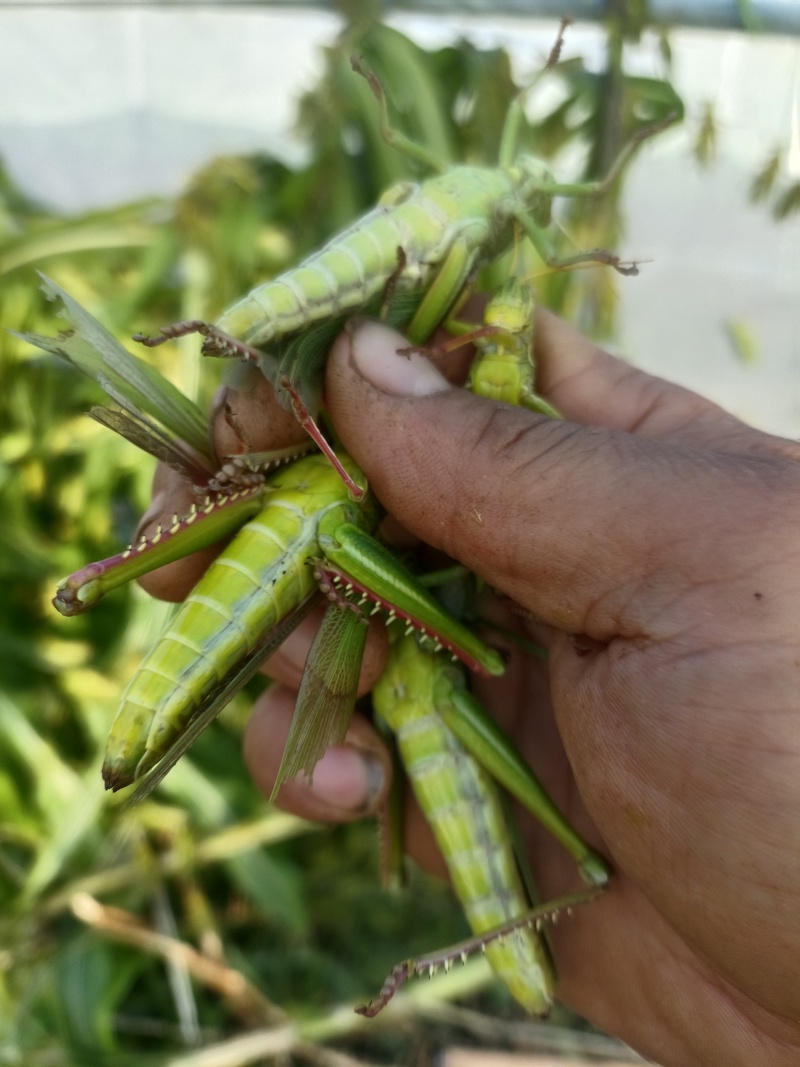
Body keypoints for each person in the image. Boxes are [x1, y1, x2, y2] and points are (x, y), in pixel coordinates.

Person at [140, 310, 800, 1067]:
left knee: (431, 668)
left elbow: (483, 645)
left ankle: (430, 959)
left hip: (447, 696)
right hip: (433, 685)